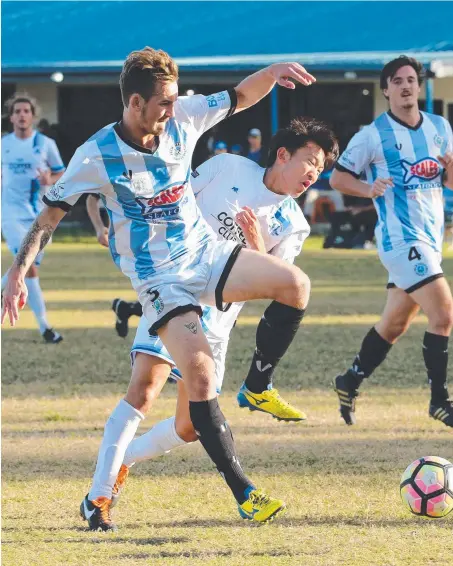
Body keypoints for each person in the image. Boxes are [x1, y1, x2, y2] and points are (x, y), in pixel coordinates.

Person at [2, 47, 317, 530]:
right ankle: (241, 493)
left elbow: (239, 96)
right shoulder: (96, 154)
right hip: (160, 280)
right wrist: (18, 271)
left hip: (206, 257)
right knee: (192, 377)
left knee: (294, 284)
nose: (174, 110)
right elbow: (48, 217)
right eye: (164, 103)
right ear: (134, 104)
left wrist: (272, 73)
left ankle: (257, 386)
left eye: (174, 100)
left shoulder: (184, 116)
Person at [97, 118, 337, 515]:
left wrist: (255, 244)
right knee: (144, 388)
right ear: (282, 154)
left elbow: (277, 289)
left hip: (219, 323)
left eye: (321, 168)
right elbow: (174, 197)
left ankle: (124, 458)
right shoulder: (228, 167)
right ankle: (100, 494)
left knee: (190, 427)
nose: (314, 173)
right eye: (310, 161)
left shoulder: (294, 223)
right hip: (173, 291)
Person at [330, 55, 453, 427]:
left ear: (419, 86)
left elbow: (448, 183)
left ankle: (349, 380)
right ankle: (439, 400)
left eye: (411, 80)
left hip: (430, 239)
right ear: (385, 90)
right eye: (397, 81)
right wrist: (369, 189)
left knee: (395, 324)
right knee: (444, 314)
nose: (405, 86)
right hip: (400, 239)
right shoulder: (372, 135)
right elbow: (338, 179)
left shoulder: (440, 127)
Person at [1, 93, 65, 343]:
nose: (21, 115)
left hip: (39, 215)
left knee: (29, 268)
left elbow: (62, 173)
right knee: (27, 268)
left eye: (26, 111)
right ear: (11, 116)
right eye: (17, 111)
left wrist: (49, 180)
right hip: (9, 214)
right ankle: (45, 328)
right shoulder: (4, 144)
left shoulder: (46, 144)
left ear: (33, 115)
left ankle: (45, 328)